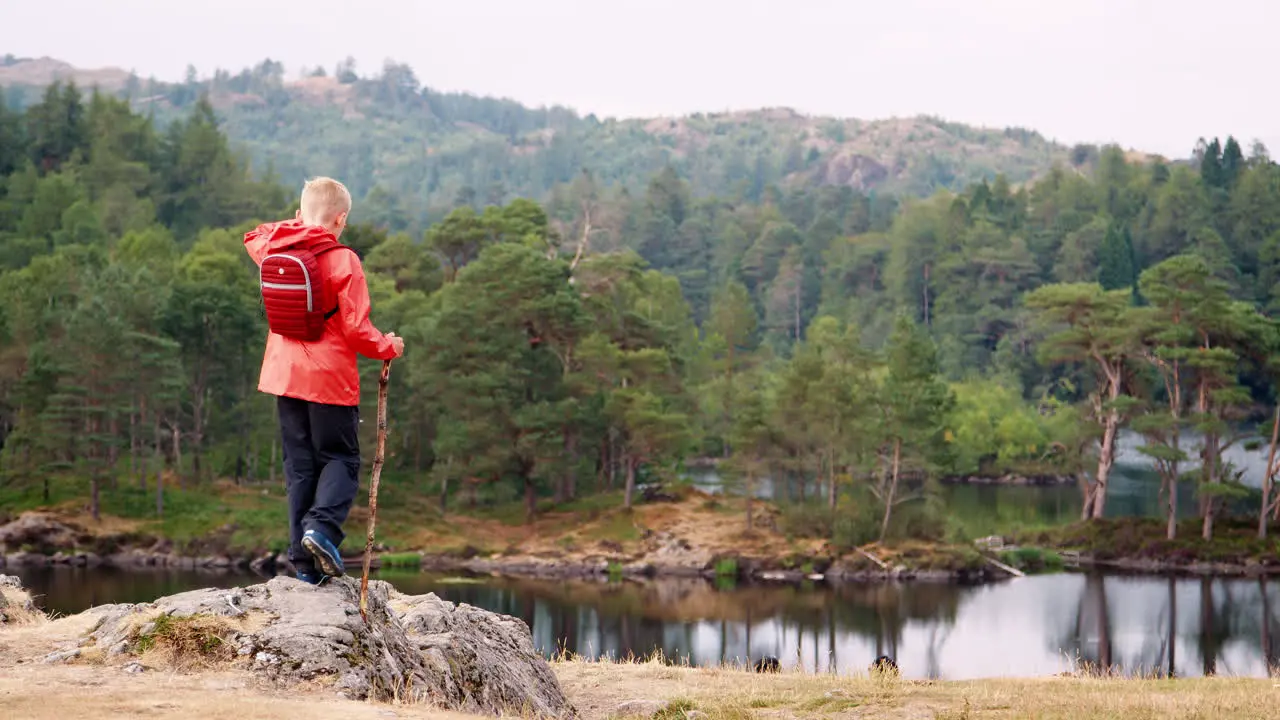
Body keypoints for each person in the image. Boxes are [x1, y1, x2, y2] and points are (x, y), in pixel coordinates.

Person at [243, 177, 404, 585]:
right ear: (342, 219)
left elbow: (253, 235)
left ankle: (303, 565)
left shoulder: (274, 246)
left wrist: (299, 224)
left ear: (299, 214)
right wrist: (388, 346)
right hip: (329, 379)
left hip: (283, 376)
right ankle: (321, 529)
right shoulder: (343, 260)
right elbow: (356, 329)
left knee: (300, 467)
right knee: (340, 459)